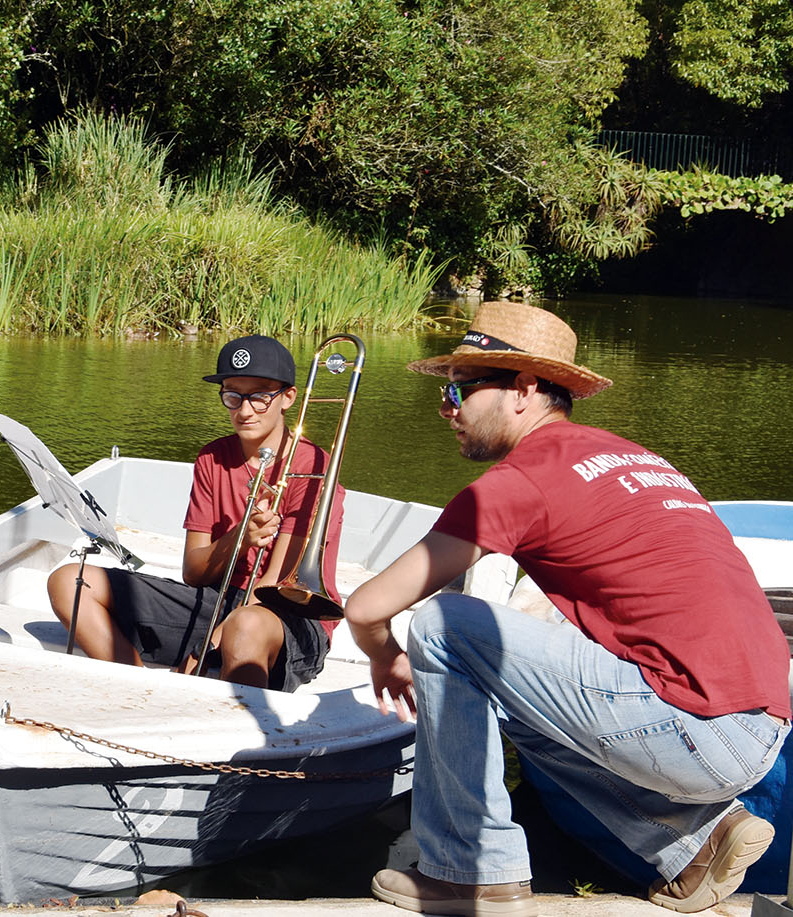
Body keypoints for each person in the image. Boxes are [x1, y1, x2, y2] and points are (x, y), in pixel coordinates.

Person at [345, 302, 789, 916]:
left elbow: (367, 606)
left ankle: (474, 871)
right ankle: (698, 841)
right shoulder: (634, 459)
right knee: (516, 696)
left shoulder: (520, 480)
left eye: (462, 388)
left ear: (524, 390)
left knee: (446, 626)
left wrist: (386, 656)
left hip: (696, 729)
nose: (447, 406)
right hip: (761, 727)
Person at [46, 335, 344, 690]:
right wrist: (239, 539)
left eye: (261, 396)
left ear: (288, 398)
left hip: (293, 617)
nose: (244, 410)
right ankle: (138, 693)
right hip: (221, 599)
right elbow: (194, 572)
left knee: (245, 626)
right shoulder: (212, 458)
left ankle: (235, 731)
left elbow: (273, 584)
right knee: (70, 582)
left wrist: (206, 647)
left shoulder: (315, 468)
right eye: (233, 395)